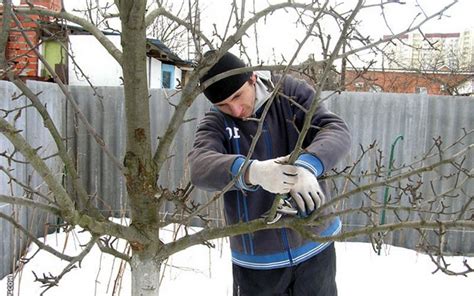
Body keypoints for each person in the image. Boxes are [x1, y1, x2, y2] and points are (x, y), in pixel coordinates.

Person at [188, 50, 351, 296]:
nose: (235, 109)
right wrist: (253, 172)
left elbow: (335, 129)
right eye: (222, 104)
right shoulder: (217, 122)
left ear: (252, 78)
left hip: (315, 244)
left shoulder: (290, 94)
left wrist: (308, 165)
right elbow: (199, 166)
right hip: (257, 261)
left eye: (237, 96)